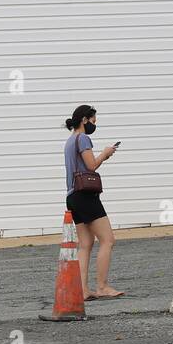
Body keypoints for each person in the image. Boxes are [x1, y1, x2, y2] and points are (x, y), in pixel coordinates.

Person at [64, 105, 123, 299]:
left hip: (72, 196)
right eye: (93, 120)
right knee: (108, 240)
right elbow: (92, 165)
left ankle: (82, 289)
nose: (94, 124)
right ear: (84, 120)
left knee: (86, 243)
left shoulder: (69, 141)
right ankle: (102, 286)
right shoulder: (83, 139)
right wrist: (105, 154)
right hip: (85, 196)